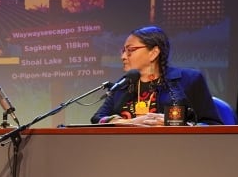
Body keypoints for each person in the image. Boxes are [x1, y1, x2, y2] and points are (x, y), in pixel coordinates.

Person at [91, 25, 222, 126]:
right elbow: (98, 119)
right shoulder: (124, 84)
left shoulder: (189, 79)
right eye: (123, 51)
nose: (123, 57)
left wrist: (176, 124)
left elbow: (212, 125)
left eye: (130, 50)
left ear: (153, 53)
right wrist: (130, 122)